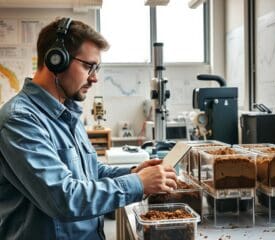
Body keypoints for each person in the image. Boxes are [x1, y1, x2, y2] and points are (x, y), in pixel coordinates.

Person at [0, 17, 177, 240]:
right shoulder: (20, 120)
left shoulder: (68, 113)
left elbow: (91, 172)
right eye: (87, 66)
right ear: (56, 60)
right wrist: (138, 183)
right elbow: (64, 199)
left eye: (97, 68)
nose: (94, 78)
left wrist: (133, 173)